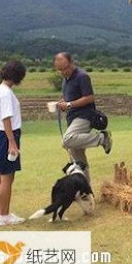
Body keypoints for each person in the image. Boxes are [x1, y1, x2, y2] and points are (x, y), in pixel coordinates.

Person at [54, 52, 112, 181]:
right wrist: (62, 104)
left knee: (67, 140)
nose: (63, 72)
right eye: (60, 70)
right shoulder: (65, 81)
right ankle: (86, 192)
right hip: (72, 118)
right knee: (79, 160)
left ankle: (102, 138)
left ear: (71, 63)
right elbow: (70, 99)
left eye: (65, 68)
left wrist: (68, 104)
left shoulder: (82, 76)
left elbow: (90, 97)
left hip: (84, 116)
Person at [0, 60, 27, 226]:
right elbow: (6, 118)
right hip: (6, 137)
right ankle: (4, 216)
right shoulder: (6, 93)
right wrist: (12, 142)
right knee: (7, 177)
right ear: (18, 76)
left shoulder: (1, 89)